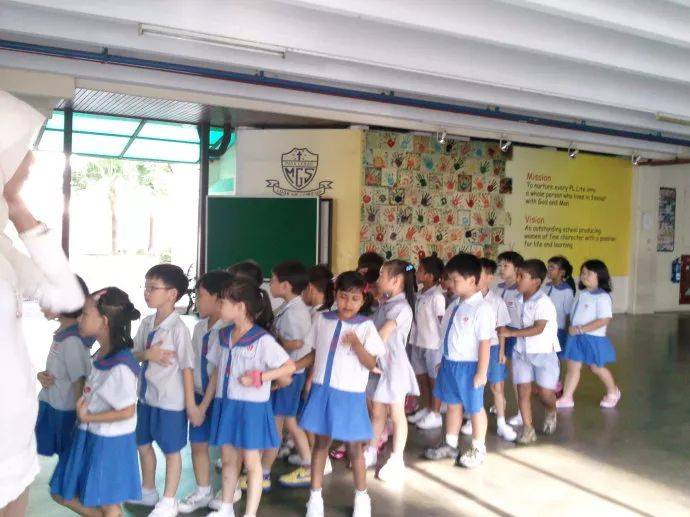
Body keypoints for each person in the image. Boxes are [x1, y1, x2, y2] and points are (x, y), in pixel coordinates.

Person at [0, 90, 85, 516]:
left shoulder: (5, 250)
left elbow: (67, 297)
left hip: (14, 434)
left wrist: (18, 207)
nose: (29, 163)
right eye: (21, 150)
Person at [299, 271, 386, 517]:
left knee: (354, 448)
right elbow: (315, 354)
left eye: (355, 298)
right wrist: (293, 368)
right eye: (343, 296)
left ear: (363, 300)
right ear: (335, 295)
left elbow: (371, 363)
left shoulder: (366, 327)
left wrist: (357, 345)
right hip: (323, 391)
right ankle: (315, 498)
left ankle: (362, 497)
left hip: (349, 396)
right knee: (320, 445)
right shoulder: (322, 319)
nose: (348, 303)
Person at [207, 278, 295, 517]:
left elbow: (288, 367)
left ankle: (250, 514)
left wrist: (261, 377)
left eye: (223, 303)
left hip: (251, 409)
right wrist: (205, 404)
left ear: (240, 307)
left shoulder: (262, 340)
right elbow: (216, 371)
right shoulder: (223, 335)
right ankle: (226, 508)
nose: (219, 307)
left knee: (252, 462)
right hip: (226, 404)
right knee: (228, 459)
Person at [50, 287, 142, 517]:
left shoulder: (121, 365)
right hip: (92, 433)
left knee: (107, 503)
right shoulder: (101, 354)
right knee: (64, 492)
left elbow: (127, 411)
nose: (79, 319)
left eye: (85, 314)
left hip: (109, 441)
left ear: (104, 321)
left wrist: (88, 416)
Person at [130, 264, 195, 517]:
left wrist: (191, 405)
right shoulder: (146, 323)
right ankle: (148, 490)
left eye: (153, 288)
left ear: (172, 294)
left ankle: (169, 501)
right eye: (146, 287)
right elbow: (134, 354)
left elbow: (187, 368)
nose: (147, 293)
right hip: (146, 398)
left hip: (170, 402)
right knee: (143, 444)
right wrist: (148, 355)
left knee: (171, 451)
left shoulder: (179, 329)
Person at [424, 254, 492, 468]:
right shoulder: (454, 305)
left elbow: (484, 343)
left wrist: (481, 372)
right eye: (449, 279)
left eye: (455, 280)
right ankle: (450, 444)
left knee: (475, 408)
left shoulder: (482, 309)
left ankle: (479, 449)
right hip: (450, 364)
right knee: (453, 405)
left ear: (472, 280)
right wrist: (443, 359)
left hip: (470, 367)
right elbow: (448, 335)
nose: (450, 284)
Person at [179, 271, 236, 514]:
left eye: (201, 295)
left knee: (227, 448)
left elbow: (217, 372)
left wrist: (202, 407)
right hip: (199, 394)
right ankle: (203, 490)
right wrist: (193, 402)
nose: (197, 301)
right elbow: (191, 364)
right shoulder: (199, 327)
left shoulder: (230, 330)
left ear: (218, 298)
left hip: (221, 398)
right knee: (198, 444)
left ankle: (230, 491)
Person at [364, 259, 419, 481]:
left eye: (381, 275)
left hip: (393, 367)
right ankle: (371, 449)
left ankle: (397, 459)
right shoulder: (385, 304)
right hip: (379, 366)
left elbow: (381, 335)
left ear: (396, 281)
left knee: (397, 414)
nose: (378, 280)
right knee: (377, 412)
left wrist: (362, 353)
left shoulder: (401, 308)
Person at [261, 261, 313, 489]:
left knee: (278, 422)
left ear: (285, 286)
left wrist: (274, 343)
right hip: (290, 373)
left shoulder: (295, 312)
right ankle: (308, 465)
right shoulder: (290, 306)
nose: (270, 284)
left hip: (289, 375)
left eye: (272, 280)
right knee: (289, 421)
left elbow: (297, 343)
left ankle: (263, 473)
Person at [499, 259, 560, 444]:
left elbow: (538, 328)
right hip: (521, 352)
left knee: (544, 393)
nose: (517, 279)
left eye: (521, 276)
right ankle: (528, 428)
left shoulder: (543, 302)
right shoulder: (516, 300)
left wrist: (511, 333)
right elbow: (508, 324)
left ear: (536, 281)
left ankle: (551, 410)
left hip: (543, 353)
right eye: (517, 275)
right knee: (522, 390)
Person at [35, 276, 93, 458]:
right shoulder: (63, 334)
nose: (40, 303)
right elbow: (62, 369)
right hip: (54, 404)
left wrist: (80, 418)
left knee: (68, 456)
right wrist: (43, 375)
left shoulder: (72, 340)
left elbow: (79, 382)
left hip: (66, 412)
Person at [461, 258, 517, 442]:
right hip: (471, 350)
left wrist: (501, 352)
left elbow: (501, 329)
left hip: (492, 348)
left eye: (481, 273)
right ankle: (472, 418)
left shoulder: (497, 301)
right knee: (474, 384)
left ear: (489, 278)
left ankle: (501, 422)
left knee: (496, 386)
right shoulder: (466, 300)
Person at [557, 260, 621, 409]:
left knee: (596, 367)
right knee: (573, 367)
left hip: (593, 338)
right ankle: (567, 397)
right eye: (583, 273)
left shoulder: (603, 297)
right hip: (575, 338)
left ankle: (613, 392)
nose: (584, 276)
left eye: (588, 273)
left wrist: (581, 329)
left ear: (600, 275)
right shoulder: (582, 294)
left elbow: (604, 320)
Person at [407, 253, 445, 430]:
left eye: (420, 270)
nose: (417, 273)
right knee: (421, 378)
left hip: (433, 346)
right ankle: (426, 408)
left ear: (430, 276)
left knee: (434, 381)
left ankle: (436, 414)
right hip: (418, 343)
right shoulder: (420, 294)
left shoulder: (437, 297)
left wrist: (443, 348)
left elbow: (441, 323)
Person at [493, 250, 524, 426]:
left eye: (506, 265)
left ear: (517, 268)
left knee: (517, 374)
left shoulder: (521, 290)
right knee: (499, 369)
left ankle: (521, 411)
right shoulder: (498, 288)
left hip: (516, 334)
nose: (501, 269)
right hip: (499, 334)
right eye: (500, 265)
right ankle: (500, 401)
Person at [544, 256, 576, 357]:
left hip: (558, 331)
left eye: (552, 267)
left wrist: (567, 335)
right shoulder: (546, 286)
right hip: (543, 329)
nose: (549, 270)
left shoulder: (567, 291)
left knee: (555, 358)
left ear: (562, 272)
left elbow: (568, 315)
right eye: (548, 267)